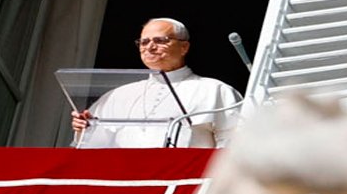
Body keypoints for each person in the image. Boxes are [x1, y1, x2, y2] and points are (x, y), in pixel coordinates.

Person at [71, 18, 242, 148]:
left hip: (186, 185)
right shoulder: (119, 94)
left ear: (184, 47)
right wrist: (84, 129)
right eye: (144, 42)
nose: (150, 47)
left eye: (160, 40)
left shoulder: (215, 90)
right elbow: (97, 148)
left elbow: (233, 146)